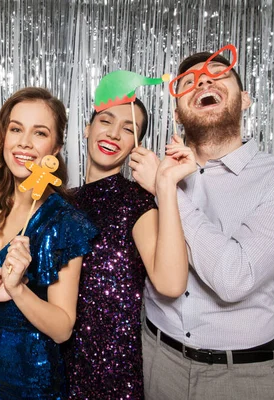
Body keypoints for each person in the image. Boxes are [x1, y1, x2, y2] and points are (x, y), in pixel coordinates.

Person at [131, 45, 274, 399]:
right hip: (156, 360)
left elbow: (233, 278)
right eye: (189, 81)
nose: (203, 80)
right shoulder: (150, 171)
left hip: (241, 378)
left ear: (245, 99)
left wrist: (166, 189)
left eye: (218, 74)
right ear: (176, 114)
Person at [65, 82, 195, 399]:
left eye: (128, 128)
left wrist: (164, 185)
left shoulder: (135, 203)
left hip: (112, 376)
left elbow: (171, 283)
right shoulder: (62, 201)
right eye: (106, 121)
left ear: (135, 144)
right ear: (86, 129)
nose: (113, 134)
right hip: (57, 366)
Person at [0, 87, 98, 399]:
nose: (24, 142)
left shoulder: (64, 222)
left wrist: (17, 289)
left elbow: (63, 328)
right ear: (3, 137)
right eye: (16, 129)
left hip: (29, 385)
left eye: (39, 133)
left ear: (56, 146)